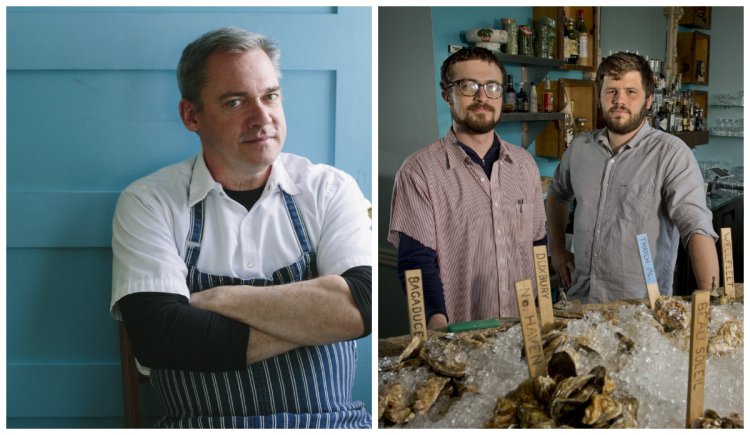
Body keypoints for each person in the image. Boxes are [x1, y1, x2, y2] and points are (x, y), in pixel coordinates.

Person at [109, 27, 372, 428]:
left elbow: (362, 307)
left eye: (270, 96)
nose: (263, 118)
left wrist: (214, 300)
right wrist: (319, 318)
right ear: (191, 115)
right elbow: (161, 337)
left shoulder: (329, 189)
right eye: (235, 102)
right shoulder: (149, 202)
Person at [388, 47, 547, 328]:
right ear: (447, 94)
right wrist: (437, 327)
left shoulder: (525, 165)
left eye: (492, 86)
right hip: (460, 335)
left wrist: (543, 312)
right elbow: (416, 264)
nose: (482, 97)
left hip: (523, 330)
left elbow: (537, 245)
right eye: (468, 86)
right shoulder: (419, 172)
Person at [546, 51, 719, 303]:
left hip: (640, 312)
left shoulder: (671, 153)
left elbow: (696, 228)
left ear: (648, 100)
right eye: (611, 91)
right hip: (579, 303)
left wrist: (709, 303)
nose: (619, 100)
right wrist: (558, 250)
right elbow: (557, 194)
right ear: (599, 98)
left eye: (630, 92)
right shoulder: (580, 148)